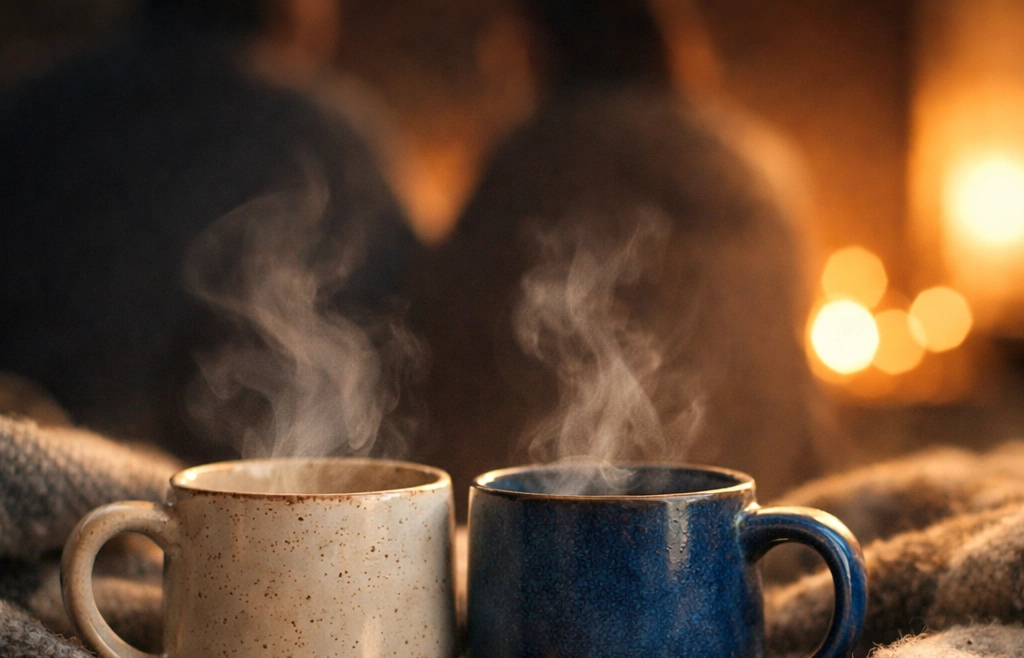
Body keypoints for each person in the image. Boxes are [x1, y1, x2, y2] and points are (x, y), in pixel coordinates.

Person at [408, 0, 829, 517]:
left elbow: (441, 354)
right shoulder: (754, 164)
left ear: (542, 50)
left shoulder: (526, 166)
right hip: (762, 511)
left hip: (543, 527)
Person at [0, 0, 416, 464]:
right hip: (225, 512)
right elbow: (403, 331)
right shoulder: (322, 133)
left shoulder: (31, 112)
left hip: (36, 473)